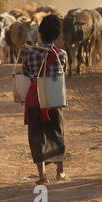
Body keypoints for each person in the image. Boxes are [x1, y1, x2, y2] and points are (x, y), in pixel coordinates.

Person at [22, 14, 68, 185]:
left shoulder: (30, 52)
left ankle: (42, 175)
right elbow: (64, 72)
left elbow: (25, 71)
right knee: (57, 131)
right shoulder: (61, 54)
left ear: (40, 32)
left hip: (35, 97)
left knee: (36, 134)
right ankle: (60, 171)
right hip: (53, 95)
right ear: (57, 34)